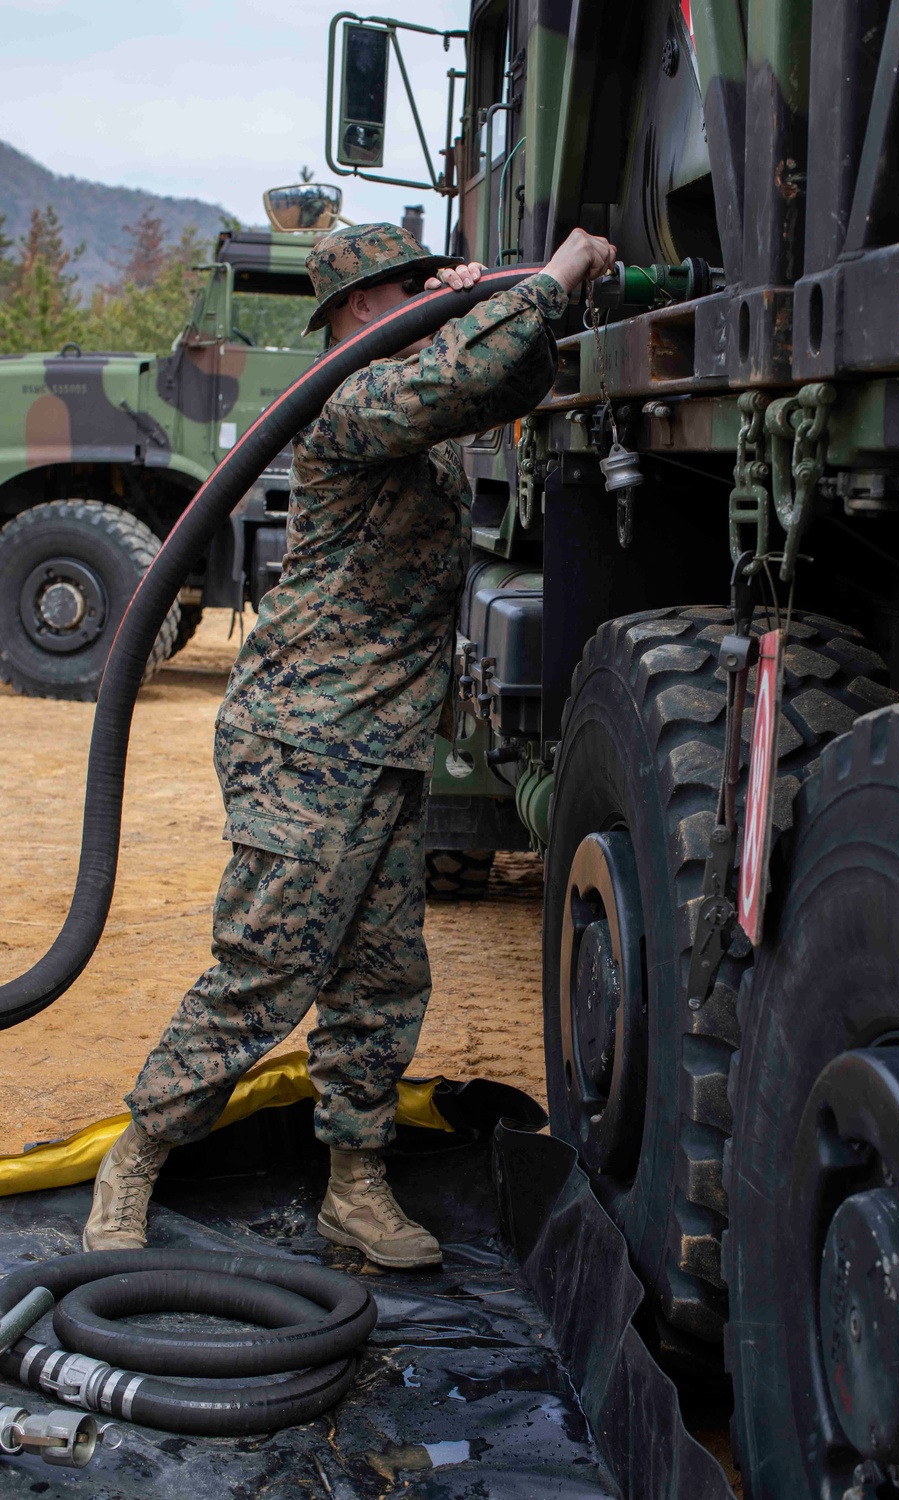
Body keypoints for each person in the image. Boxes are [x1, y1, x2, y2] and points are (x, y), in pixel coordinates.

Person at [82, 221, 615, 1268]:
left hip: (382, 738)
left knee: (381, 977)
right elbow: (457, 381)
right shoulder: (349, 398)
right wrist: (543, 284)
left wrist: (492, 307)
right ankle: (134, 1160)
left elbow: (499, 386)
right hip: (305, 739)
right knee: (268, 967)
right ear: (355, 313)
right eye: (405, 289)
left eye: (426, 283)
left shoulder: (416, 388)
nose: (422, 297)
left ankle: (355, 1188)